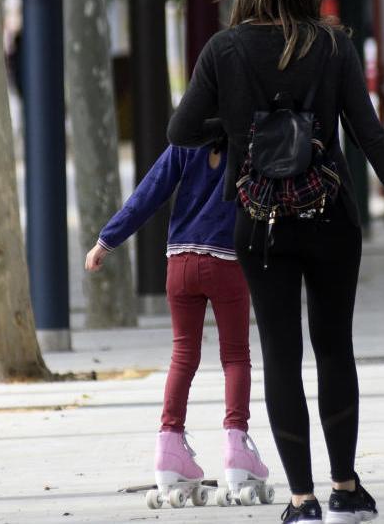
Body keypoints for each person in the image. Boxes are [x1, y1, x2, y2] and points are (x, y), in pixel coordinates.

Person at [166, 0, 384, 524]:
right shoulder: (335, 47)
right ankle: (346, 489)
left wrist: (237, 131)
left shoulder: (225, 50)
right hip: (331, 217)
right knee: (335, 347)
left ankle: (302, 500)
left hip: (260, 222)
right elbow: (368, 134)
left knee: (281, 355)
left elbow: (181, 131)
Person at [84, 141, 272, 506]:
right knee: (235, 356)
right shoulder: (248, 138)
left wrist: (106, 241)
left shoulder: (184, 141)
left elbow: (148, 194)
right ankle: (236, 446)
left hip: (180, 262)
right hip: (227, 261)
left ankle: (169, 446)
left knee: (183, 355)